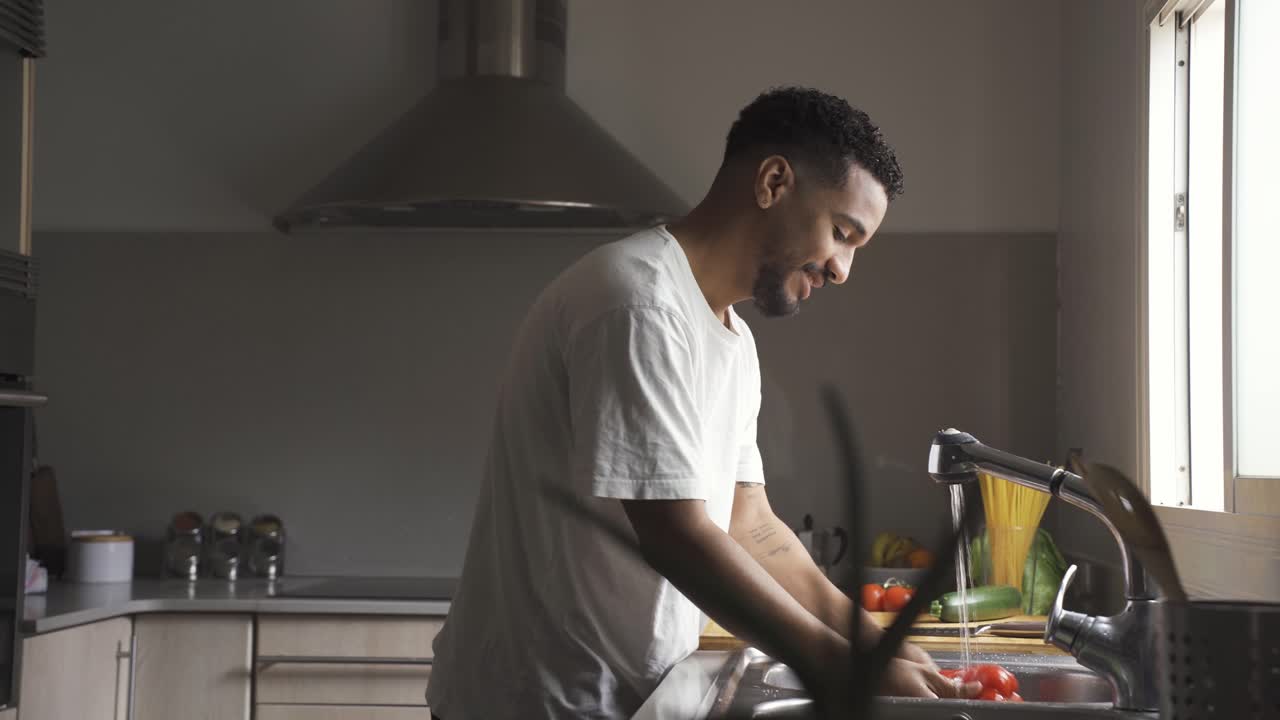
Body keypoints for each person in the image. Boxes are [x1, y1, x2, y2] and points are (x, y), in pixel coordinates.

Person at [427, 86, 977, 720]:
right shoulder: (637, 303)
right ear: (773, 181)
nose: (843, 269)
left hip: (619, 698)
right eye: (841, 232)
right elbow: (676, 535)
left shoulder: (730, 338)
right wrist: (841, 667)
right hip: (538, 704)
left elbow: (754, 526)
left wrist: (874, 645)